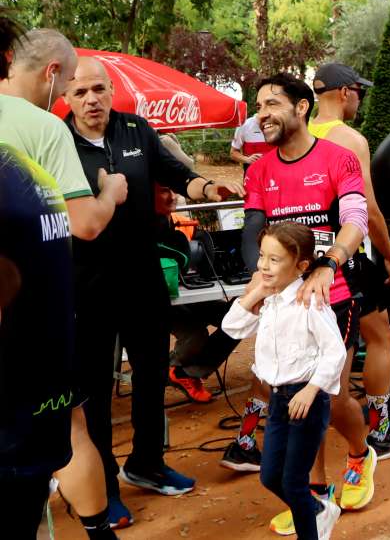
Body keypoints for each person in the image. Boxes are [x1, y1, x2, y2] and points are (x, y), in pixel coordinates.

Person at [62, 57, 244, 522]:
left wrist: (204, 187)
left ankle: (146, 463)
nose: (91, 100)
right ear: (66, 94)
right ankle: (102, 481)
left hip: (143, 277)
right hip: (88, 286)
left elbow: (174, 171)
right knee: (97, 390)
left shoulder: (136, 130)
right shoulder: (57, 141)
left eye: (98, 90)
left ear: (109, 91)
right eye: (81, 92)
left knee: (149, 375)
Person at [1, 27, 130, 539]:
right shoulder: (42, 127)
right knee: (71, 430)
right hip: (34, 322)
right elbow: (86, 223)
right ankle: (100, 529)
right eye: (72, 82)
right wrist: (111, 194)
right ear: (53, 73)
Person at [233, 73, 376, 532]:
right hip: (288, 299)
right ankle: (313, 494)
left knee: (327, 396)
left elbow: (356, 218)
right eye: (258, 105)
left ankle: (360, 451)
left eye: (272, 103)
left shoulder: (339, 158)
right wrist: (261, 281)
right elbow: (251, 234)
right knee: (296, 393)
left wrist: (330, 261)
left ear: (301, 108)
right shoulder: (259, 170)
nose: (262, 113)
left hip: (334, 291)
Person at [308, 62, 390, 458]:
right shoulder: (349, 139)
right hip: (348, 258)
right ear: (344, 93)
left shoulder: (300, 135)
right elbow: (368, 210)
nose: (360, 99)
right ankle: (379, 432)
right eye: (360, 92)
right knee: (379, 337)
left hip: (308, 258)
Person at [221, 222, 346, 540]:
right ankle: (319, 510)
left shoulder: (310, 302)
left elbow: (335, 353)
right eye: (262, 256)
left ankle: (312, 529)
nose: (263, 265)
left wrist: (312, 389)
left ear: (301, 265)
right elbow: (232, 326)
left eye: (274, 260)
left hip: (307, 401)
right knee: (270, 477)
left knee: (292, 481)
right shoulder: (271, 300)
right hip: (278, 401)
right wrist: (259, 291)